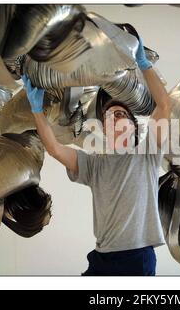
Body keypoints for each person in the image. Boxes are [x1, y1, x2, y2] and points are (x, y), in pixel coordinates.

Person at [22, 36, 172, 276]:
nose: (115, 118)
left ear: (134, 128)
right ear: (105, 132)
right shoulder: (94, 165)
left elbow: (163, 105)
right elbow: (54, 148)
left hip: (137, 258)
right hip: (101, 259)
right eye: (110, 117)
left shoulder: (148, 153)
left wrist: (144, 64)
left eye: (121, 115)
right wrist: (37, 110)